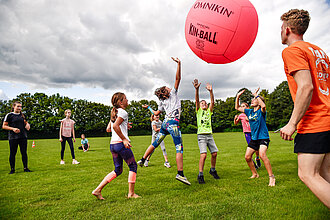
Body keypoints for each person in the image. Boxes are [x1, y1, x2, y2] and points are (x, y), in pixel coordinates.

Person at [280, 9, 330, 208]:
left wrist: (292, 123)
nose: (280, 31)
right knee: (325, 173)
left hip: (314, 120)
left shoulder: (292, 50)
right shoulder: (319, 51)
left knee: (307, 174)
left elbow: (306, 86)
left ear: (288, 29)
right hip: (327, 117)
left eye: (281, 28)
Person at [137, 57, 191, 185]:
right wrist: (179, 64)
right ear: (166, 91)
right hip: (173, 124)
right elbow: (178, 79)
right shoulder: (173, 94)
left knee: (155, 143)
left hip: (165, 124)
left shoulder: (161, 102)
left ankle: (143, 159)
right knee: (179, 148)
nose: (169, 87)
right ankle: (180, 174)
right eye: (167, 87)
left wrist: (148, 107)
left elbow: (156, 113)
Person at [92, 92, 140, 199]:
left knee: (118, 170)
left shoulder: (114, 113)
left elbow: (108, 129)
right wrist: (124, 139)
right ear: (120, 102)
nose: (127, 100)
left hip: (113, 145)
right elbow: (115, 126)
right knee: (133, 166)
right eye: (125, 98)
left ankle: (97, 190)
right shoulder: (123, 112)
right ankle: (131, 194)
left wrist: (124, 126)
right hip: (120, 144)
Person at [235, 88, 275, 186]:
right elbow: (237, 107)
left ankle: (271, 177)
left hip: (263, 137)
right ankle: (255, 174)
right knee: (247, 157)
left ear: (259, 101)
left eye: (254, 100)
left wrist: (256, 95)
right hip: (254, 138)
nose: (252, 101)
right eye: (252, 99)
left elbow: (264, 105)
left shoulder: (261, 111)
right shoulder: (249, 112)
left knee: (262, 155)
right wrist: (238, 97)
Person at [192, 79, 220, 184]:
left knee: (214, 153)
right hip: (201, 136)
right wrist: (197, 89)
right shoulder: (198, 112)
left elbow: (212, 102)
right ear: (199, 106)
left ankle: (212, 170)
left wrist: (211, 92)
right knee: (203, 155)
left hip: (210, 135)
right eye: (202, 103)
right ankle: (200, 174)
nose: (204, 104)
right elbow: (196, 100)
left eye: (205, 103)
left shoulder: (209, 112)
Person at [2, 101, 32, 174]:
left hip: (23, 137)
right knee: (13, 153)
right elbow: (4, 126)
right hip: (13, 137)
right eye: (18, 106)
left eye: (20, 107)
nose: (19, 108)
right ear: (14, 107)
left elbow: (25, 122)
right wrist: (13, 129)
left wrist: (28, 124)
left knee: (24, 153)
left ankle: (26, 168)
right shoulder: (9, 115)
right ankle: (12, 169)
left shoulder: (22, 115)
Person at [234, 103, 261, 169]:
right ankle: (253, 164)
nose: (242, 108)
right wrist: (235, 119)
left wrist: (248, 119)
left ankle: (257, 158)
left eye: (244, 106)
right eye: (241, 106)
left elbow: (257, 120)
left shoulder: (251, 113)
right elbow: (236, 123)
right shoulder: (241, 115)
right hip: (247, 133)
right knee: (251, 148)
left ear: (247, 107)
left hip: (254, 132)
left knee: (257, 149)